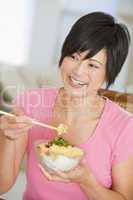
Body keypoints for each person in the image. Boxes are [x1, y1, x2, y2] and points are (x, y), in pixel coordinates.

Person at [0, 11, 133, 200]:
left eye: (92, 65)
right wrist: (8, 139)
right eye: (73, 57)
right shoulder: (30, 103)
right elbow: (2, 186)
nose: (78, 72)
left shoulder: (125, 126)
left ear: (109, 73)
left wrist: (86, 180)